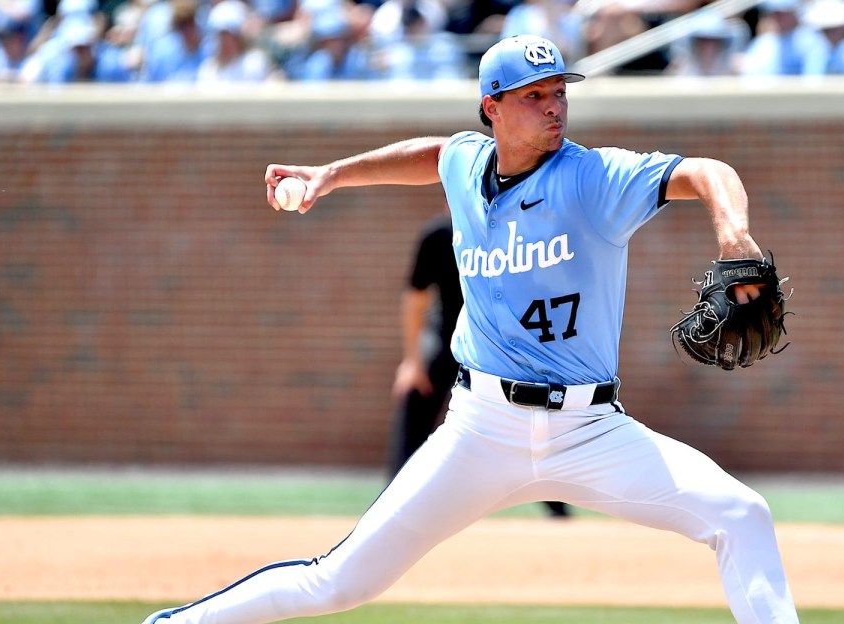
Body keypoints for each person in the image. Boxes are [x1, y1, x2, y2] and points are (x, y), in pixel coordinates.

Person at [144, 34, 799, 624]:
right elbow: (435, 155)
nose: (554, 107)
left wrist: (731, 229)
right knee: (341, 580)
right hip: (480, 429)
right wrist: (331, 175)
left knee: (741, 515)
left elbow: (709, 172)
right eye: (533, 94)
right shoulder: (467, 163)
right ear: (491, 107)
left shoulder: (593, 178)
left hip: (592, 431)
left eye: (560, 92)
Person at [389, 211, 572, 518]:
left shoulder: (516, 235)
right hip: (448, 337)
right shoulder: (439, 236)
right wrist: (412, 361)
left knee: (530, 416)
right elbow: (415, 299)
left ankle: (557, 508)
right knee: (414, 396)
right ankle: (393, 502)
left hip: (501, 343)